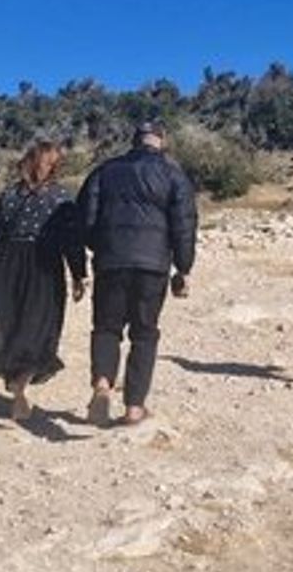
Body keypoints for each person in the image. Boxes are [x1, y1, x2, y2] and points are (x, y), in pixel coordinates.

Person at [0, 141, 86, 420]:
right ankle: (20, 384)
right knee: (39, 327)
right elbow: (72, 240)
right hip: (44, 267)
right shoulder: (61, 197)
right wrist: (78, 273)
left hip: (7, 266)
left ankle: (12, 379)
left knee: (5, 322)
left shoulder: (8, 195)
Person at [77, 120, 197, 425]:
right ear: (162, 141)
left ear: (134, 141)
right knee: (144, 333)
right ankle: (134, 407)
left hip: (110, 261)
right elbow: (184, 225)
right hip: (153, 265)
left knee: (106, 327)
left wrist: (99, 247)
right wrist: (183, 268)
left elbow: (85, 219)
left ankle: (103, 385)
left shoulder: (104, 171)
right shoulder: (174, 174)